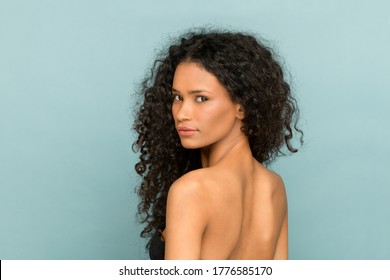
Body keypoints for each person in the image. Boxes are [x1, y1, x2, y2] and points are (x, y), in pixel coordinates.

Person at [133, 29, 303, 260]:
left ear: (242, 107)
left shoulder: (192, 190)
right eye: (177, 97)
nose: (182, 113)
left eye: (201, 98)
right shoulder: (273, 186)